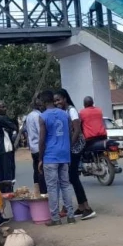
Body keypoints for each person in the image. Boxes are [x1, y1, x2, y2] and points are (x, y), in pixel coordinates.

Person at [37, 90, 77, 225]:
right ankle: (70, 216)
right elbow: (70, 131)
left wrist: (40, 158)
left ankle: (55, 218)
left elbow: (41, 140)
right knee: (66, 185)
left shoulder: (43, 116)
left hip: (50, 156)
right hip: (64, 155)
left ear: (43, 102)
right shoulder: (64, 114)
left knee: (52, 187)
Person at [55, 89, 95, 220]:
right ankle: (81, 207)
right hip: (70, 147)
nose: (57, 102)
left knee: (73, 177)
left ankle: (87, 208)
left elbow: (77, 130)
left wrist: (69, 147)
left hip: (76, 146)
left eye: (59, 100)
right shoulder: (63, 111)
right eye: (55, 101)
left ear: (65, 99)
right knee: (72, 177)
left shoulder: (71, 110)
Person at [17, 96, 47, 195]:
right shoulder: (39, 116)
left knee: (36, 170)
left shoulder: (29, 116)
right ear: (39, 106)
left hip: (33, 147)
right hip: (39, 147)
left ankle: (37, 191)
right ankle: (43, 193)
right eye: (42, 105)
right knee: (41, 170)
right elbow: (41, 132)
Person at [0, 101, 18, 185]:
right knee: (8, 171)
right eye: (3, 107)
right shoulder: (1, 118)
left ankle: (1, 192)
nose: (5, 109)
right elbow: (14, 127)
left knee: (0, 171)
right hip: (5, 147)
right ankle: (8, 191)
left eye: (5, 106)